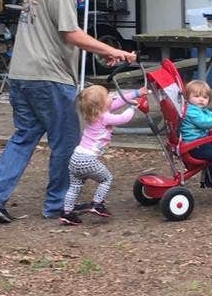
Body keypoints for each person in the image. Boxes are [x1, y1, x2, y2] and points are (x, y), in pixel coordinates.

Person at [0, 0, 136, 223]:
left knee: (24, 137)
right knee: (68, 143)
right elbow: (70, 34)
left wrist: (101, 53)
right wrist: (113, 50)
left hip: (22, 74)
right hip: (49, 77)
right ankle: (59, 204)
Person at [60, 84, 147, 226]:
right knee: (106, 179)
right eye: (107, 96)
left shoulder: (94, 114)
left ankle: (67, 213)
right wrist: (133, 107)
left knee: (74, 186)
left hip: (76, 158)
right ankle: (97, 203)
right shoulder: (104, 117)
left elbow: (118, 102)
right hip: (87, 159)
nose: (111, 96)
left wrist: (136, 93)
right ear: (101, 104)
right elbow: (123, 119)